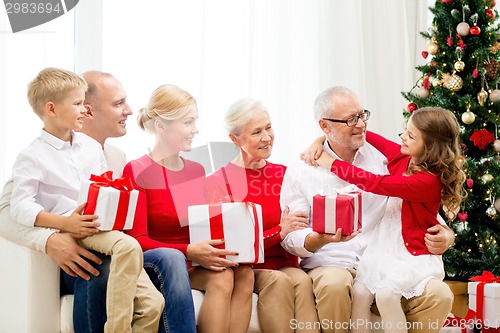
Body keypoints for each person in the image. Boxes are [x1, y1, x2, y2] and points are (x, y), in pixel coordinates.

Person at [0, 70, 197, 333]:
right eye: (118, 103)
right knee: (101, 264)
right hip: (79, 247)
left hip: (110, 240)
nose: (129, 110)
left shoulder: (113, 155)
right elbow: (9, 209)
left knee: (165, 265)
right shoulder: (35, 156)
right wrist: (49, 238)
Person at [280, 86, 455, 333]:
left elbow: (414, 206)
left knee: (440, 294)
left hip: (386, 257)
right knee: (335, 284)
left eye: (363, 115)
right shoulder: (301, 169)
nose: (361, 124)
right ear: (324, 125)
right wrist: (315, 240)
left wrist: (447, 233)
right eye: (352, 119)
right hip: (334, 261)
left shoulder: (387, 159)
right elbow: (291, 236)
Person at [204, 98, 346, 333]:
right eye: (256, 132)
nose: (267, 137)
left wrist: (319, 140)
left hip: (285, 262)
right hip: (246, 268)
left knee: (301, 280)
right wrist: (278, 232)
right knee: (280, 281)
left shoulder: (285, 174)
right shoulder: (219, 182)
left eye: (268, 127)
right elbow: (232, 247)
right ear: (234, 139)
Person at [122, 84, 254, 333]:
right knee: (223, 278)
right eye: (188, 122)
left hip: (194, 261)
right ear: (161, 126)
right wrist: (189, 251)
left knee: (245, 273)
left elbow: (198, 224)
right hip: (164, 266)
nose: (195, 130)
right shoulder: (138, 170)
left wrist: (228, 212)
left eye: (195, 121)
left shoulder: (196, 170)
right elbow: (137, 240)